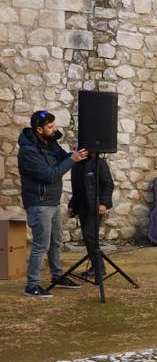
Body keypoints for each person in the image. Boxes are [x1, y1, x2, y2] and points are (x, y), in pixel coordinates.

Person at [17, 110, 88, 297]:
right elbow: (49, 175)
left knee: (56, 241)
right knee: (41, 244)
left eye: (54, 125)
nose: (54, 129)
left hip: (53, 201)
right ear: (39, 129)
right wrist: (72, 160)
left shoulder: (50, 143)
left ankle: (57, 276)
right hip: (39, 203)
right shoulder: (28, 151)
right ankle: (31, 285)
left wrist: (76, 152)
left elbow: (65, 159)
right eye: (50, 127)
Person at [68, 151, 114, 279]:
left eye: (76, 143)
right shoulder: (76, 165)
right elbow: (76, 189)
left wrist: (103, 203)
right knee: (88, 236)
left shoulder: (99, 163)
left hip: (95, 206)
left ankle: (99, 267)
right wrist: (72, 206)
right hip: (83, 206)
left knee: (90, 235)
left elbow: (108, 184)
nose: (74, 146)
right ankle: (96, 266)